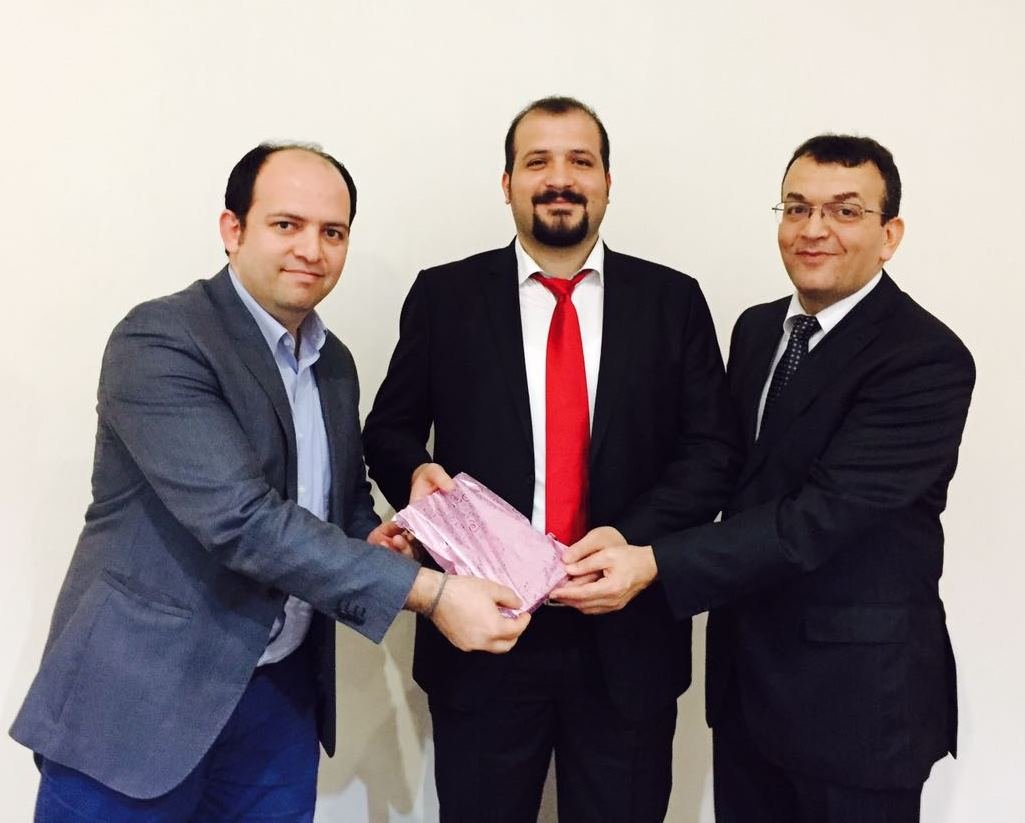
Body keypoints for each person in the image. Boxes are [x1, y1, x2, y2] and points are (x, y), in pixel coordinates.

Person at [10, 142, 529, 821]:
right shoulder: (161, 339)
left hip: (278, 702)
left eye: (332, 232)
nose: (311, 249)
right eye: (287, 224)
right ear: (233, 229)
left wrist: (387, 535)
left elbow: (339, 502)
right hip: (141, 701)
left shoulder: (333, 361)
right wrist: (430, 594)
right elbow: (243, 521)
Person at [553, 134, 975, 822]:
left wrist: (654, 562)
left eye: (844, 211)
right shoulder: (758, 331)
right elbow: (722, 466)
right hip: (749, 691)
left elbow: (819, 516)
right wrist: (627, 535)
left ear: (889, 235)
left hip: (858, 706)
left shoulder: (925, 357)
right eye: (796, 207)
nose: (813, 229)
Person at [362, 97, 741, 822]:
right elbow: (389, 428)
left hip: (629, 634)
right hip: (482, 629)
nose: (559, 178)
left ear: (607, 183)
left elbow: (712, 451)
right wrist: (413, 475)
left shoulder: (672, 300)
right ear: (507, 182)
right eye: (537, 161)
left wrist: (631, 540)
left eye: (580, 161)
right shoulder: (445, 295)